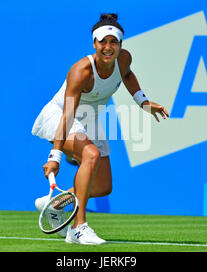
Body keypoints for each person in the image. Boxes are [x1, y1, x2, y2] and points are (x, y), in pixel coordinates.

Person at [32, 13, 169, 245]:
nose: (108, 47)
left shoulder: (124, 59)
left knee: (103, 186)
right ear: (94, 43)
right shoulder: (81, 71)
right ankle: (78, 228)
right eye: (103, 42)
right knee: (91, 154)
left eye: (113, 42)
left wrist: (143, 102)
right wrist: (55, 156)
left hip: (90, 118)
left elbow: (127, 75)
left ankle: (55, 205)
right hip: (61, 117)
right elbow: (67, 114)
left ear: (120, 45)